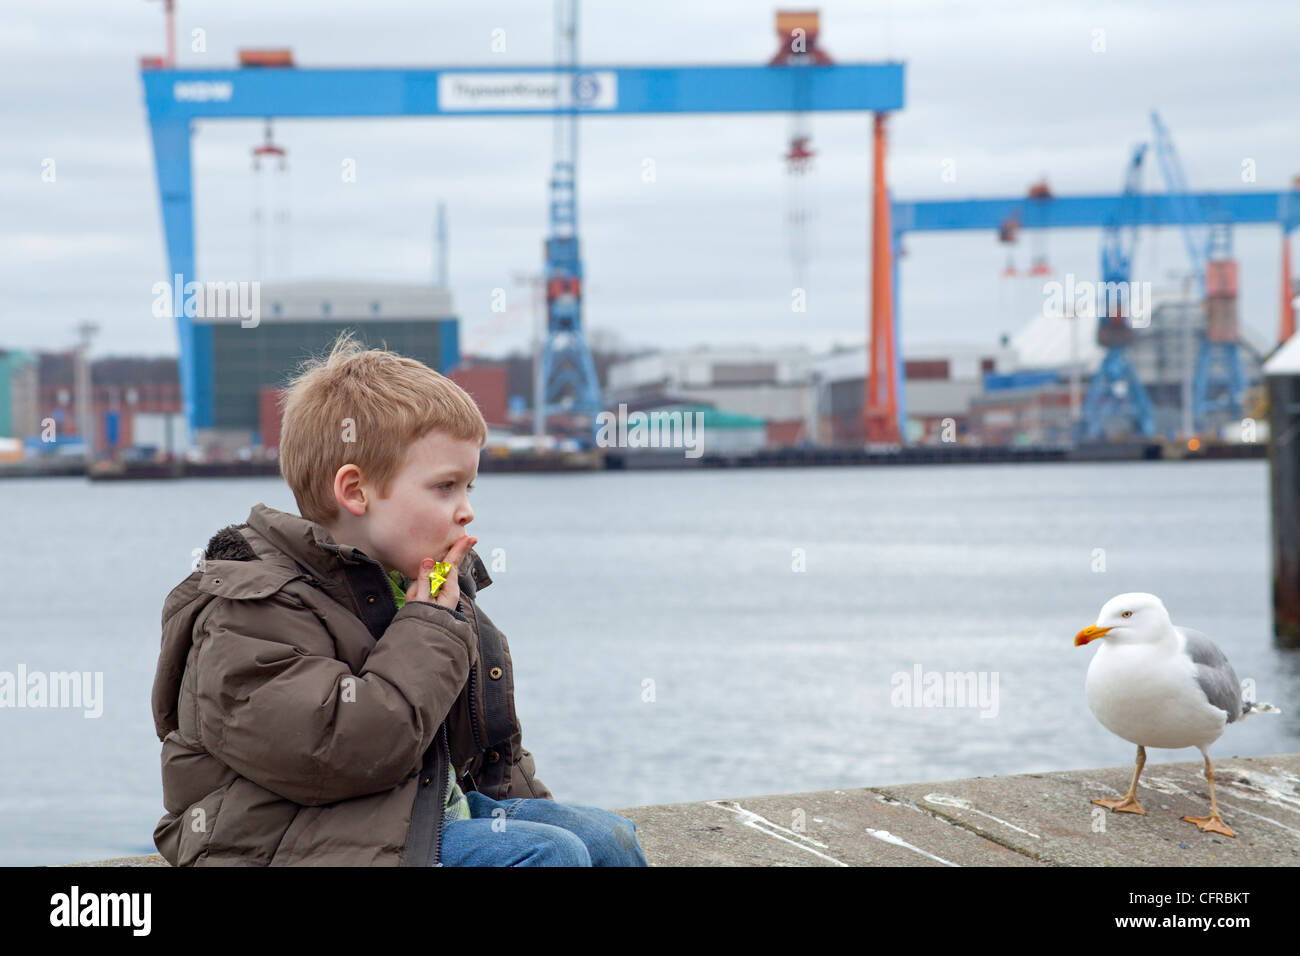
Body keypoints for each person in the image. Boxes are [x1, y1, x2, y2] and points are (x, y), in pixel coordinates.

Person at [150, 330, 647, 866]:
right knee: (547, 856)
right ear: (356, 491)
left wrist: (526, 814)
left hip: (404, 816)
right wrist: (430, 621)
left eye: (469, 488)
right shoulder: (252, 610)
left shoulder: (421, 588)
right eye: (444, 487)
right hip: (282, 844)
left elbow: (489, 759)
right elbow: (350, 749)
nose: (466, 511)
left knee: (607, 840)